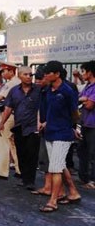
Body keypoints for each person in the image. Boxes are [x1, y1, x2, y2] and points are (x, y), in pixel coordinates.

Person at [38, 60, 82, 213]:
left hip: (62, 134)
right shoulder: (48, 91)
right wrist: (45, 123)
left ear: (57, 74)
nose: (45, 75)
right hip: (50, 131)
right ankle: (72, 192)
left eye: (48, 72)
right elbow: (50, 112)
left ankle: (53, 201)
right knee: (60, 165)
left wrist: (74, 127)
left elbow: (75, 113)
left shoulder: (67, 91)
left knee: (55, 168)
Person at [0, 66, 42, 190]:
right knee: (21, 153)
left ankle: (30, 180)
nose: (28, 77)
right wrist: (2, 123)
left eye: (30, 75)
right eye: (26, 75)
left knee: (32, 154)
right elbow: (8, 108)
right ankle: (24, 178)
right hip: (19, 126)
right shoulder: (14, 91)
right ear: (20, 76)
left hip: (33, 127)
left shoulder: (38, 90)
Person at [0, 62, 21, 179]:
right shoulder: (18, 82)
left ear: (11, 71)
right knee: (12, 143)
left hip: (8, 115)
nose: (2, 74)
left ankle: (2, 171)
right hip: (16, 115)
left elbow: (0, 97)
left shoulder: (11, 83)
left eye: (4, 71)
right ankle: (19, 169)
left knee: (3, 143)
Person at [77, 60, 95, 190]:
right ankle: (83, 177)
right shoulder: (87, 86)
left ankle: (93, 180)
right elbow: (78, 99)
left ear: (90, 72)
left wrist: (84, 100)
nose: (82, 74)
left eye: (84, 71)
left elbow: (89, 105)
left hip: (93, 124)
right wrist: (84, 100)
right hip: (84, 123)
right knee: (82, 151)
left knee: (93, 153)